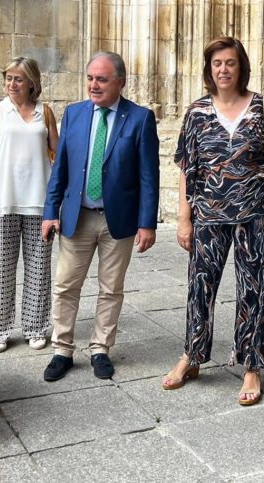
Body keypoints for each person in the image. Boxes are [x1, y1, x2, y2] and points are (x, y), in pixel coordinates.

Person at [161, 37, 264, 406]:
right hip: (209, 214)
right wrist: (183, 218)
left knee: (254, 288)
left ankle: (251, 364)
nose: (223, 69)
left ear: (241, 67)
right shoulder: (197, 113)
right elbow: (186, 169)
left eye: (230, 63)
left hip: (259, 213)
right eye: (217, 63)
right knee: (200, 287)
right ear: (209, 69)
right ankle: (192, 355)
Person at [41, 51, 159, 381]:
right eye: (90, 78)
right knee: (66, 286)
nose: (94, 85)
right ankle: (62, 349)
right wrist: (50, 212)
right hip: (76, 217)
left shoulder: (140, 119)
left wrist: (147, 222)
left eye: (102, 79)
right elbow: (60, 168)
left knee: (110, 288)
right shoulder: (74, 114)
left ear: (120, 82)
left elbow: (149, 175)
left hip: (117, 220)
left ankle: (100, 349)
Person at [0, 57, 59, 353]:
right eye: (8, 78)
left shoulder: (45, 112)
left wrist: (57, 201)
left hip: (39, 202)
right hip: (4, 200)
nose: (11, 84)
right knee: (1, 270)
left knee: (39, 269)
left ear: (31, 83)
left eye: (18, 79)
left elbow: (58, 155)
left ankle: (35, 327)